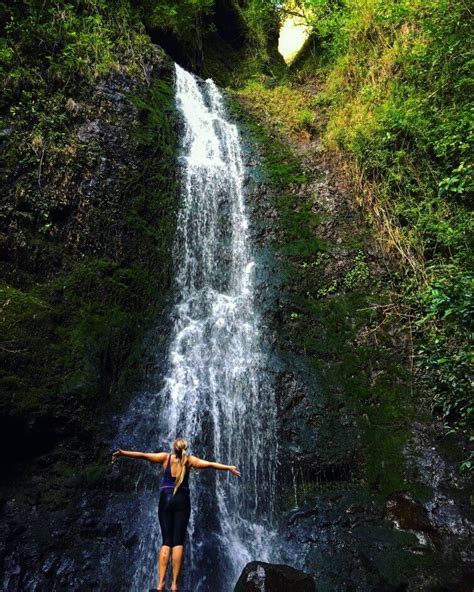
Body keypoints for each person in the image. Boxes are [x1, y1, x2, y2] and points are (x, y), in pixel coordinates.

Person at [111, 437, 241, 591]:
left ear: (174, 447)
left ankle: (160, 584)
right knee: (178, 541)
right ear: (185, 448)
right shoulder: (189, 460)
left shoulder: (165, 458)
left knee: (166, 541)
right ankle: (174, 585)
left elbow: (142, 455)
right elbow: (211, 464)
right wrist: (228, 467)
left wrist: (122, 452)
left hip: (166, 499)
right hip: (182, 500)